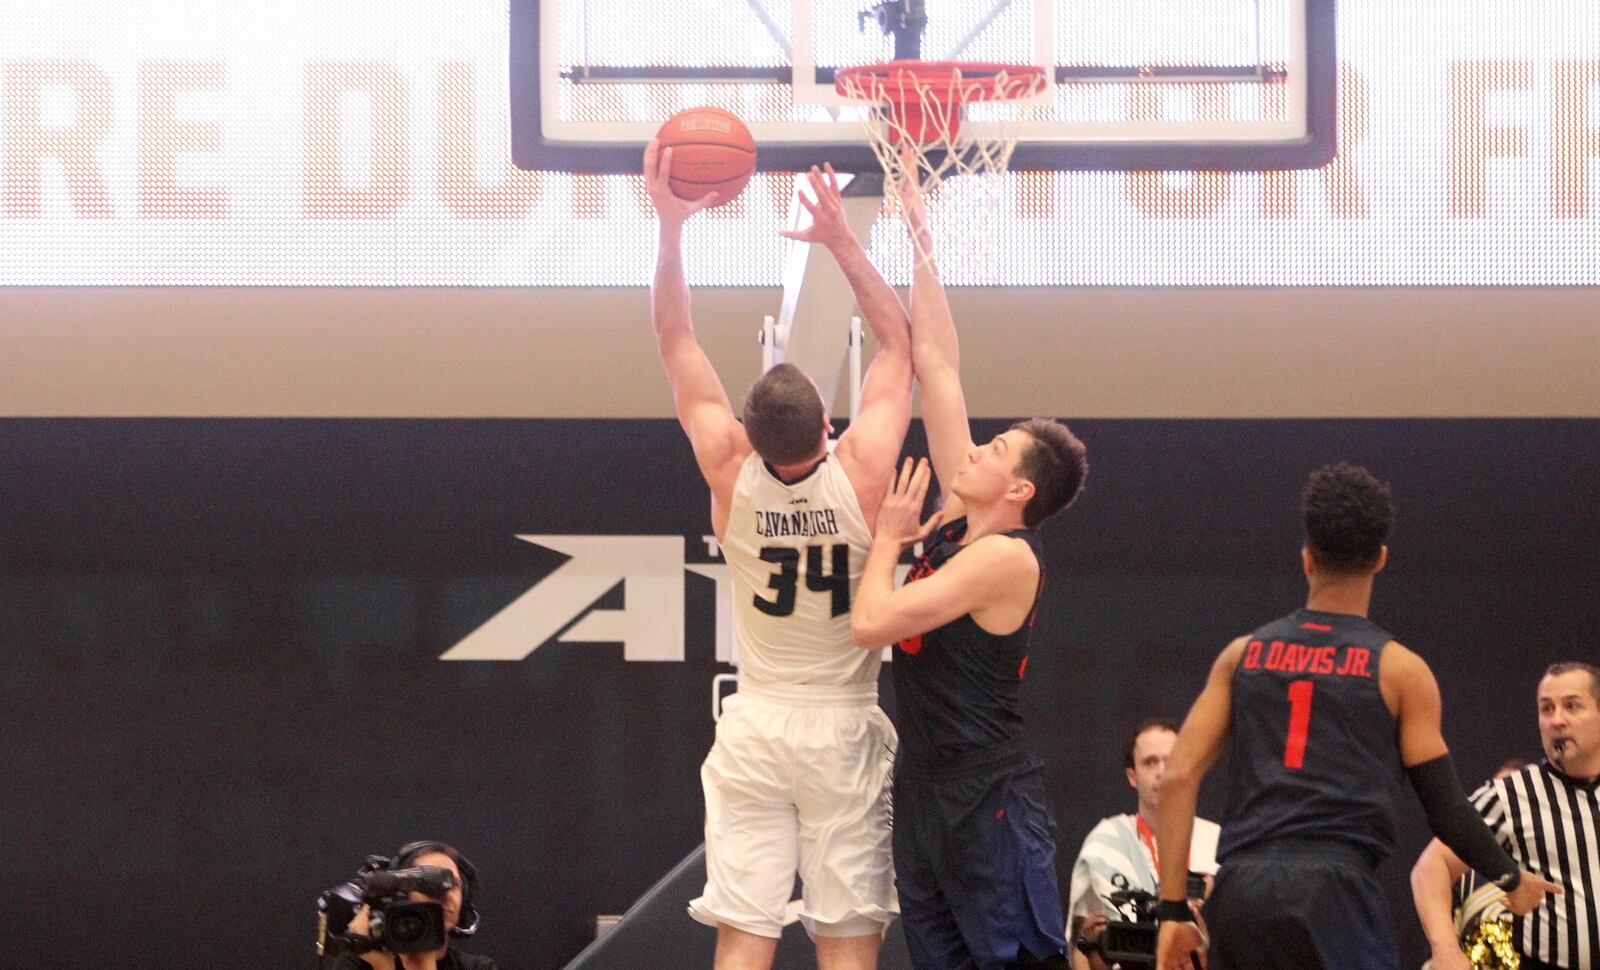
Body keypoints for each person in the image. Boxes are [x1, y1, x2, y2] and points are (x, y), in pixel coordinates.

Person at [644, 145, 916, 970]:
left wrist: (670, 228)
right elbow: (899, 350)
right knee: (848, 938)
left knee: (743, 934)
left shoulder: (728, 467)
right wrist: (839, 240)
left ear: (750, 433)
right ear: (826, 429)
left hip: (757, 720)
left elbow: (675, 337)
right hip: (840, 722)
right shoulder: (864, 475)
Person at [1151, 463, 1560, 970]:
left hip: (1243, 890)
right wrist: (1511, 880)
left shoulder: (1242, 655)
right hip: (1335, 896)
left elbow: (1177, 775)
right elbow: (1446, 808)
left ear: (1306, 559)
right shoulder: (1399, 670)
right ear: (1381, 559)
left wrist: (1172, 910)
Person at [850, 164, 1089, 969]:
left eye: (994, 450)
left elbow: (873, 622)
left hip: (986, 795)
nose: (975, 448)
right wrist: (919, 228)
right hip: (925, 791)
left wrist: (888, 538)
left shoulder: (1006, 559)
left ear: (1017, 488)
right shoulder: (961, 514)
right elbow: (939, 364)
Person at [1412, 663, 1599, 970]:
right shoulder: (1513, 795)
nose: (1557, 720)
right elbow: (1431, 867)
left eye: (1572, 706)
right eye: (1546, 709)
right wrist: (1445, 947)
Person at [1068, 719, 1221, 970]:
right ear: (1132, 776)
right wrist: (1090, 943)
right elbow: (1081, 951)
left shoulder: (1218, 843)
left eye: (1171, 759)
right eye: (1150, 762)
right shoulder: (1104, 844)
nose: (1162, 771)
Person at [329, 841, 496, 970]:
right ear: (400, 896)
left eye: (454, 885)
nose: (445, 895)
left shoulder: (477, 967)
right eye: (429, 885)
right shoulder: (359, 963)